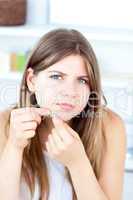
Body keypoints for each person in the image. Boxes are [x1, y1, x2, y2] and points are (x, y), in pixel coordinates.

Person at [0, 28, 126, 200]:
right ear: (32, 80)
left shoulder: (110, 127)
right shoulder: (5, 124)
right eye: (57, 77)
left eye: (82, 80)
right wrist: (14, 147)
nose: (70, 92)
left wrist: (78, 164)